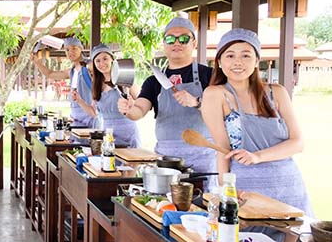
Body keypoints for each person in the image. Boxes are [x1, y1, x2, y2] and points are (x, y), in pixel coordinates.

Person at [201, 28, 313, 215]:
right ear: (219, 62)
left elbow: (297, 143)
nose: (237, 62)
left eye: (246, 55)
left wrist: (257, 156)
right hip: (246, 187)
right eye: (229, 56)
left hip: (289, 185)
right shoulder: (215, 94)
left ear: (256, 61)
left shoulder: (277, 92)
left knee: (295, 240)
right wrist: (225, 190)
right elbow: (222, 150)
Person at [118, 17, 215, 176]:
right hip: (166, 159)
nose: (177, 43)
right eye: (170, 39)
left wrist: (196, 102)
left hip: (203, 155)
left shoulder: (209, 76)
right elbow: (139, 109)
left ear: (194, 43)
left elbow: (224, 110)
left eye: (183, 39)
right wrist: (128, 109)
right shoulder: (154, 80)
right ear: (164, 44)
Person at [32, 37, 96, 126]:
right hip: (76, 117)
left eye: (74, 48)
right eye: (67, 50)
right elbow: (50, 74)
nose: (70, 52)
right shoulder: (72, 71)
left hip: (90, 117)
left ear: (81, 49)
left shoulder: (90, 66)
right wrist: (37, 62)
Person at [89, 44, 141, 148]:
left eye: (105, 59)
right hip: (108, 135)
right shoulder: (96, 85)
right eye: (97, 61)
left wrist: (133, 104)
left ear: (112, 60)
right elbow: (95, 111)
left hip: (128, 133)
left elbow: (143, 103)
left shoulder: (125, 77)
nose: (102, 63)